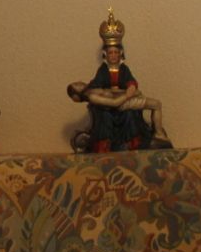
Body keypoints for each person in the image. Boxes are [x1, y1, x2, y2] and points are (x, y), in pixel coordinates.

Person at [67, 11, 165, 152]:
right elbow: (98, 85)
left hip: (127, 96)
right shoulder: (102, 73)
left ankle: (156, 135)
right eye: (111, 53)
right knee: (123, 112)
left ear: (120, 54)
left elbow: (130, 80)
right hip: (120, 101)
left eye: (116, 53)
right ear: (106, 55)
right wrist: (121, 94)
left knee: (149, 106)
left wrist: (131, 87)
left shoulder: (123, 68)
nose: (113, 56)